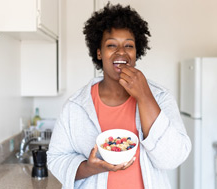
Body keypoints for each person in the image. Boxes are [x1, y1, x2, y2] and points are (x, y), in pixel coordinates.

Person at [47, 3, 191, 189]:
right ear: (98, 52)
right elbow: (56, 159)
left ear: (136, 52)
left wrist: (145, 96)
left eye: (129, 45)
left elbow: (173, 158)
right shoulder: (76, 106)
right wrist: (90, 168)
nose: (121, 52)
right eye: (111, 45)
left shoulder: (160, 96)